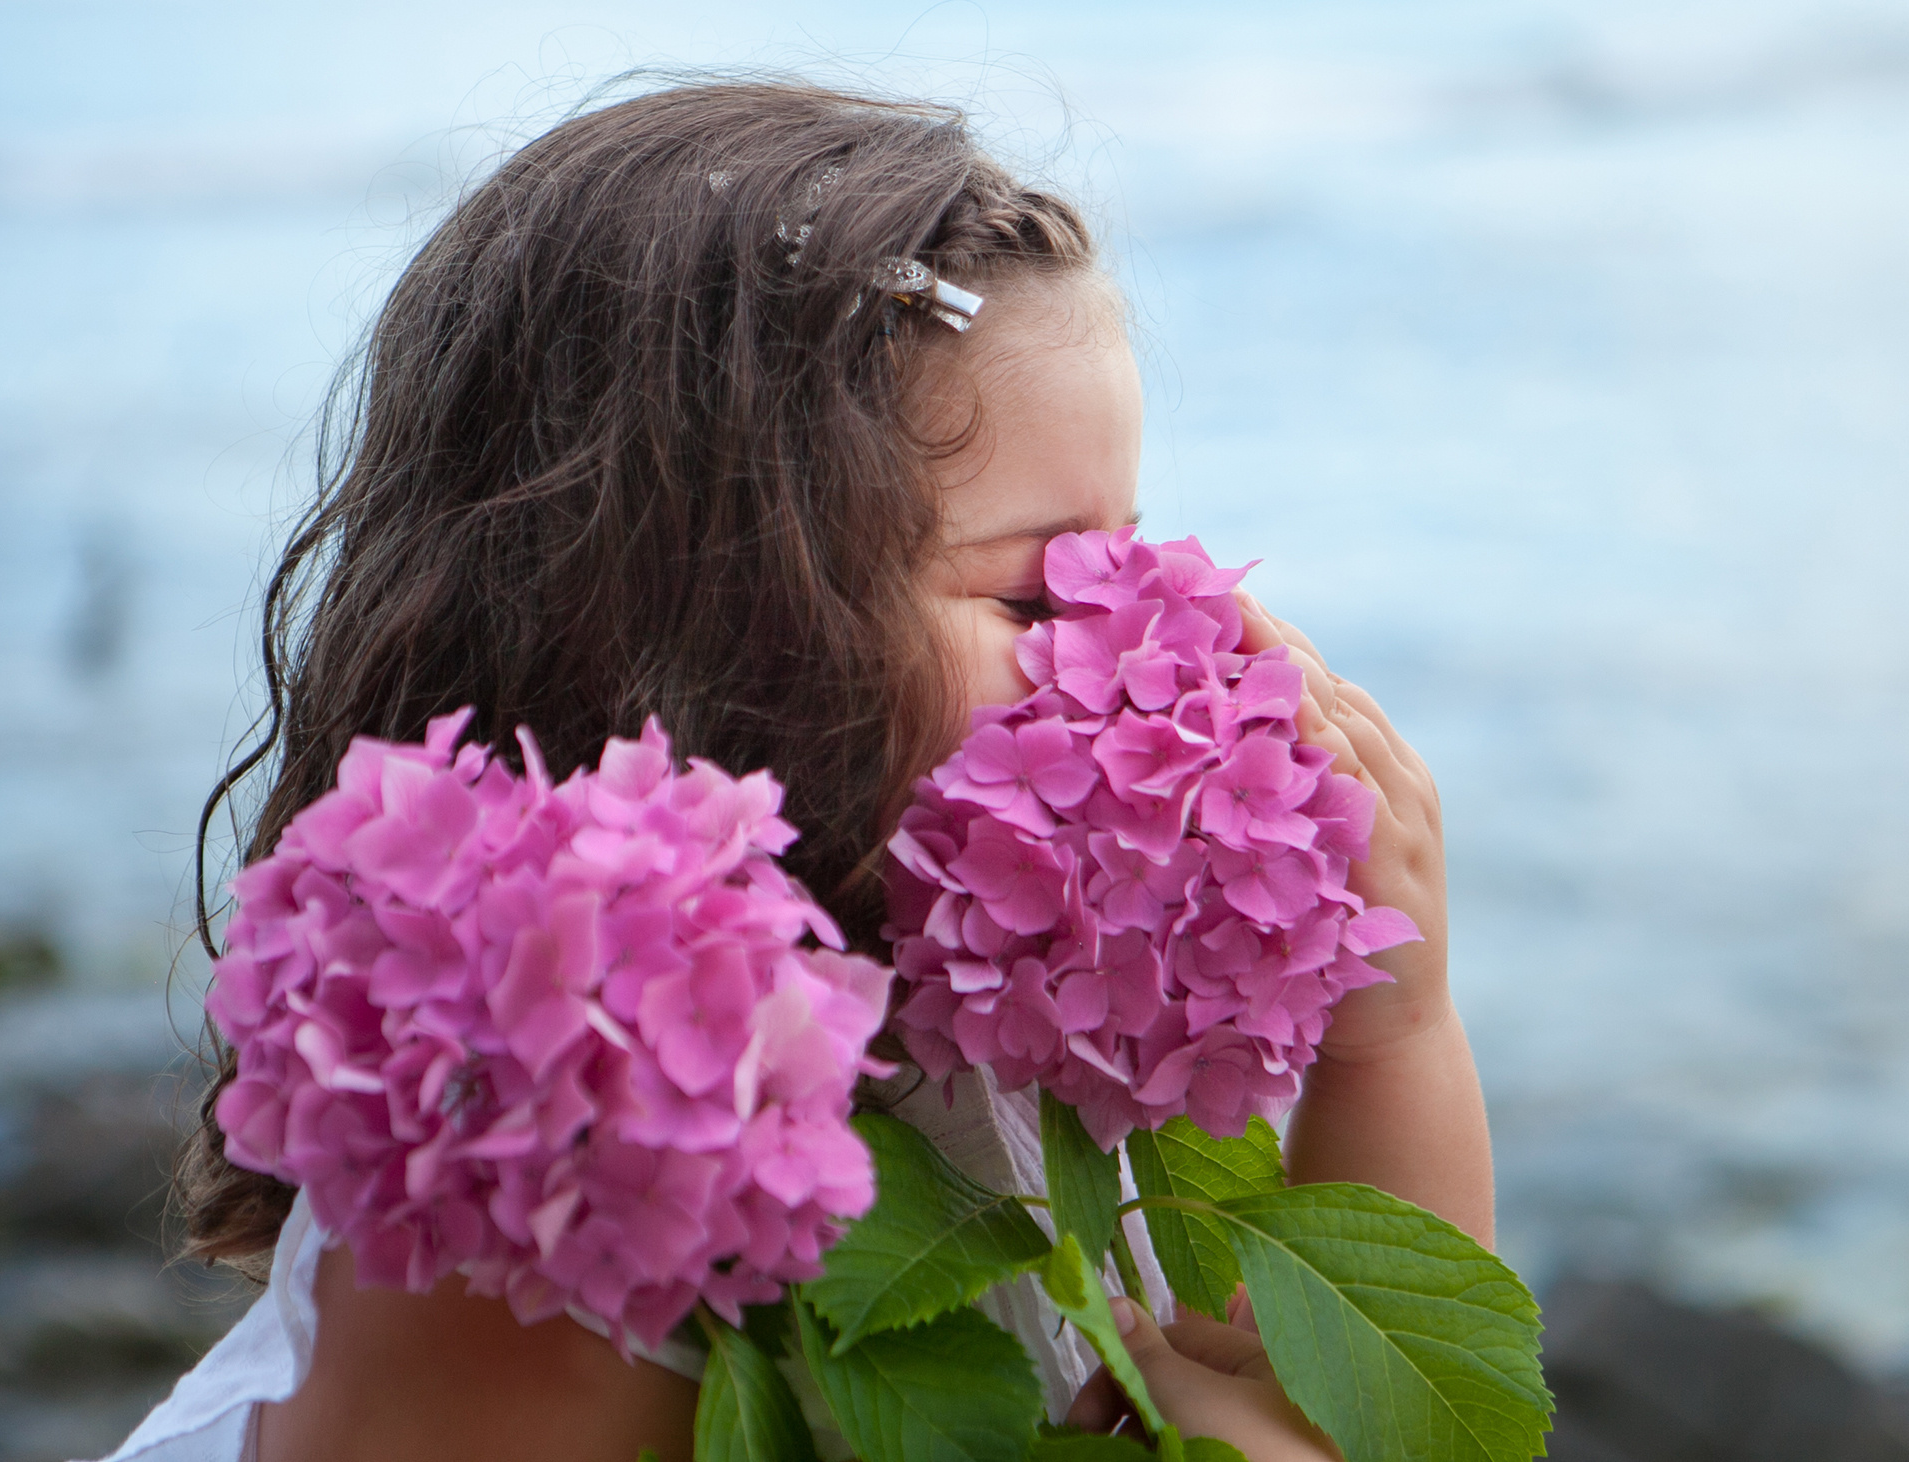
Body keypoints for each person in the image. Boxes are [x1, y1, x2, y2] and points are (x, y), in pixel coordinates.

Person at [98, 79, 1492, 1462]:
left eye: (1133, 541)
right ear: (706, 623)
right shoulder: (549, 1159)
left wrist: (1388, 1037)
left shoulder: (1013, 1001)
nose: (1164, 629)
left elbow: (1390, 1409)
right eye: (1035, 590)